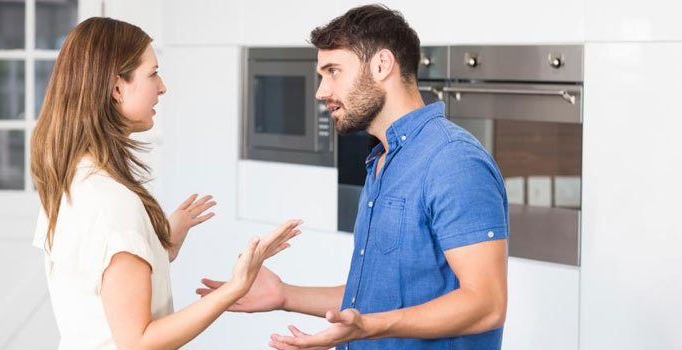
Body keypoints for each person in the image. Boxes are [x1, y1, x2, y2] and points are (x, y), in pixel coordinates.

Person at [196, 5, 509, 350]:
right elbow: (376, 296)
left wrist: (368, 327)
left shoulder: (453, 160)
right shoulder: (383, 160)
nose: (321, 91)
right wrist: (284, 295)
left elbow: (486, 305)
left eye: (333, 71)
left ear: (381, 65)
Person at [30, 17, 301, 350]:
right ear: (117, 88)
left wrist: (159, 244)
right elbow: (139, 342)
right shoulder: (114, 203)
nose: (162, 87)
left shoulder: (71, 179)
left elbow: (102, 279)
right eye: (152, 73)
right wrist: (237, 285)